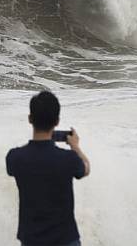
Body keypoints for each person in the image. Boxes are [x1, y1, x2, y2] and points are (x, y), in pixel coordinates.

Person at [6, 91, 91, 246]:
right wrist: (75, 146)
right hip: (65, 239)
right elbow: (86, 169)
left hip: (32, 240)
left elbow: (12, 168)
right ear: (57, 121)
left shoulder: (15, 157)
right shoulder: (68, 159)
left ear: (30, 119)